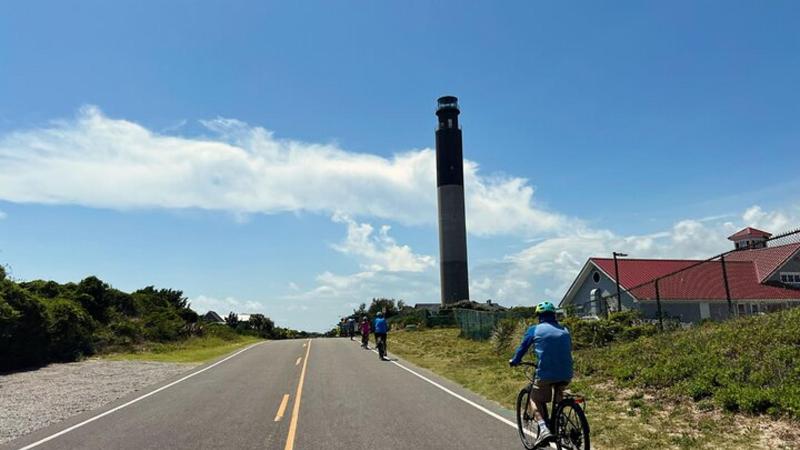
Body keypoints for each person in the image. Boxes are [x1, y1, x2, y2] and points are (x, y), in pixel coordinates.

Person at [509, 301, 573, 447]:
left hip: (545, 373)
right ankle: (560, 422)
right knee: (559, 392)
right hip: (567, 372)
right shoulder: (564, 329)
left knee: (534, 398)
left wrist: (515, 360)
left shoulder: (534, 330)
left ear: (539, 316)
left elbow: (522, 348)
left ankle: (544, 429)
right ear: (554, 315)